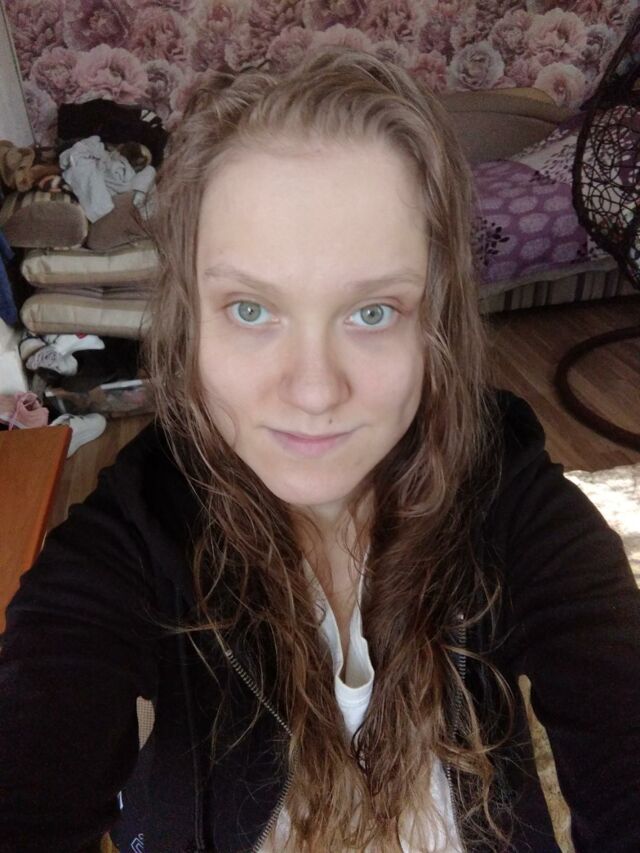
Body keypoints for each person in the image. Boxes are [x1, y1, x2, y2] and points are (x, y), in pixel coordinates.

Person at [1, 48, 639, 853]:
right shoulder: (135, 527)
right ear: (190, 318)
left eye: (372, 311)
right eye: (250, 309)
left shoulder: (507, 490)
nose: (312, 389)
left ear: (434, 318)